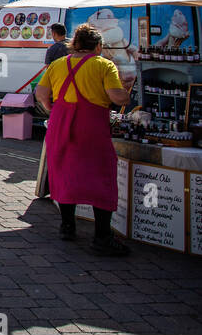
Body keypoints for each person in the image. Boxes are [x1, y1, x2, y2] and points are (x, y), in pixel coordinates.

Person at [35, 23, 134, 256]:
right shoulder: (103, 64)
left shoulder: (58, 64)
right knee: (101, 176)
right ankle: (102, 237)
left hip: (61, 123)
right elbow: (116, 97)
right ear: (98, 46)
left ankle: (67, 227)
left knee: (65, 173)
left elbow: (40, 93)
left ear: (74, 44)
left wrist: (51, 107)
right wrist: (126, 94)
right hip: (90, 127)